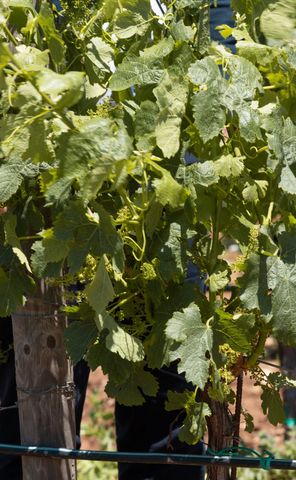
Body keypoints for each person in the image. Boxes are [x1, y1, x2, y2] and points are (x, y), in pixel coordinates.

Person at [0, 2, 236, 479]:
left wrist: (218, 94)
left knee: (167, 415)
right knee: (23, 407)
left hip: (163, 197)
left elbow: (217, 26)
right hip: (43, 192)